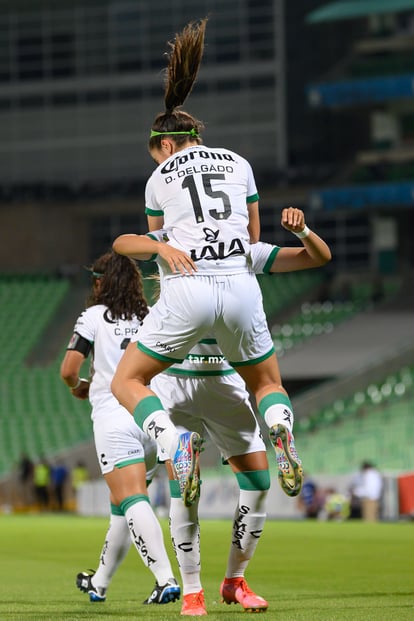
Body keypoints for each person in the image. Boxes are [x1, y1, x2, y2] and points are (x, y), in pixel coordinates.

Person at [111, 18, 328, 517]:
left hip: (189, 289)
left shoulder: (159, 176)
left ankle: (172, 443)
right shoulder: (238, 162)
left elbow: (147, 240)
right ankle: (282, 430)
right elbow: (251, 238)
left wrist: (164, 248)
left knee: (129, 382)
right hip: (239, 283)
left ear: (165, 146)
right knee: (267, 384)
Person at [111, 214, 331, 614]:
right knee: (256, 482)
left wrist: (158, 247)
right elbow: (317, 257)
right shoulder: (241, 251)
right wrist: (302, 231)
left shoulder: (177, 243)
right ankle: (232, 581)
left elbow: (123, 243)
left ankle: (196, 591)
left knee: (186, 488)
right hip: (222, 381)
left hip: (175, 383)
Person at [60, 251, 180, 605]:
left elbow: (69, 368)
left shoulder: (94, 316)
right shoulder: (150, 315)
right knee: (121, 505)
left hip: (114, 418)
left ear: (101, 282)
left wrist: (78, 385)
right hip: (150, 416)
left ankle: (165, 579)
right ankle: (99, 581)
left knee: (131, 499)